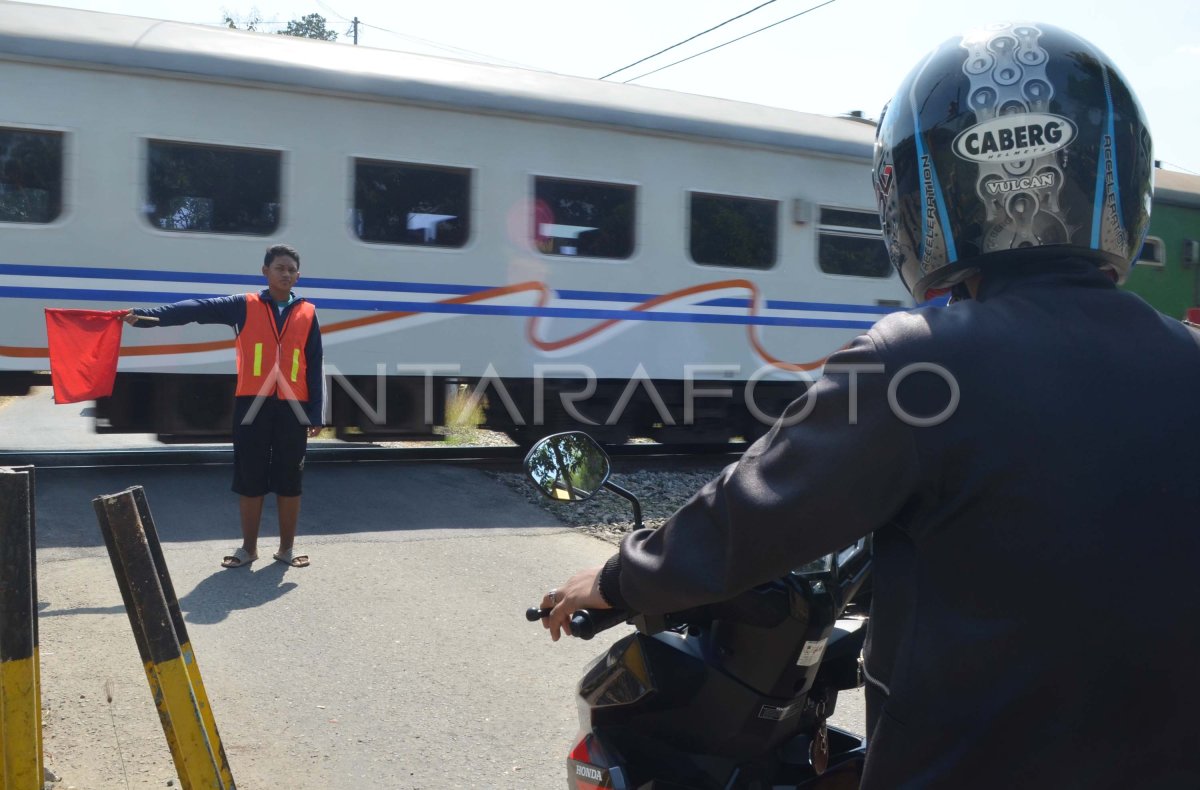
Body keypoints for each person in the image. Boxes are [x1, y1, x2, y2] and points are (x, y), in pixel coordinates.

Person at [538, 22, 1200, 788]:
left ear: (920, 193)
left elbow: (757, 513)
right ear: (1115, 176)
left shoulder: (916, 360)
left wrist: (621, 579)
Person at [125, 243, 324, 569]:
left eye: (291, 269)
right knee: (250, 477)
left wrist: (316, 412)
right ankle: (249, 549)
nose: (285, 273)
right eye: (279, 268)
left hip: (294, 409)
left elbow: (314, 364)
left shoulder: (308, 313)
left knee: (291, 481)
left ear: (298, 276)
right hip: (252, 406)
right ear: (265, 272)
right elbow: (196, 309)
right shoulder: (242, 305)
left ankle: (287, 549)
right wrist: (152, 317)